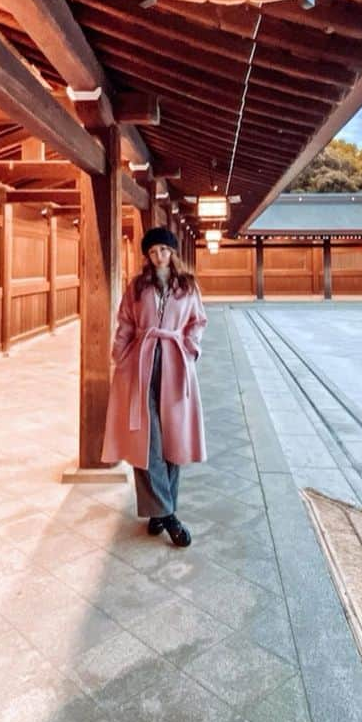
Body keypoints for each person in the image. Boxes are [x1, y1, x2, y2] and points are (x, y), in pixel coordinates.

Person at [101, 227, 207, 547]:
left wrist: (189, 349)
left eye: (163, 249)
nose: (159, 256)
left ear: (172, 252)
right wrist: (119, 356)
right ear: (146, 256)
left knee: (173, 440)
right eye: (152, 251)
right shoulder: (137, 287)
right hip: (141, 364)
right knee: (147, 442)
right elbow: (126, 324)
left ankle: (159, 511)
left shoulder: (187, 286)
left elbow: (197, 322)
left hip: (174, 363)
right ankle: (168, 515)